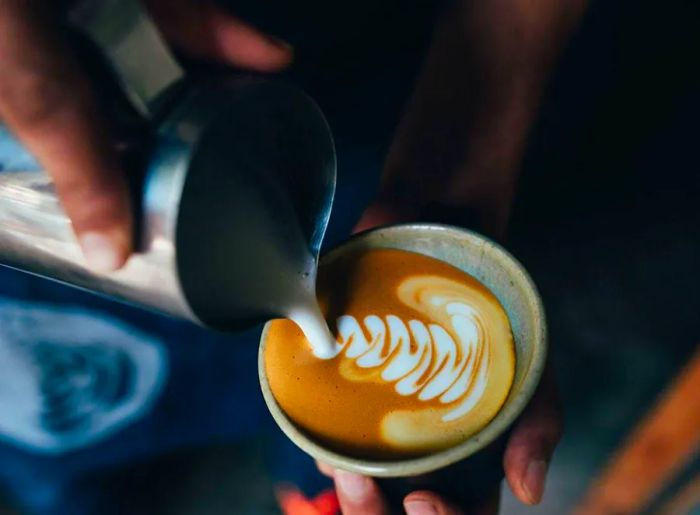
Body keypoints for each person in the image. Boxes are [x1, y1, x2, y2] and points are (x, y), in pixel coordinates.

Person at [0, 0, 588, 513]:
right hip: (26, 346)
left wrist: (445, 186)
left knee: (313, 441)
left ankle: (308, 479)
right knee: (63, 463)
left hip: (299, 185)